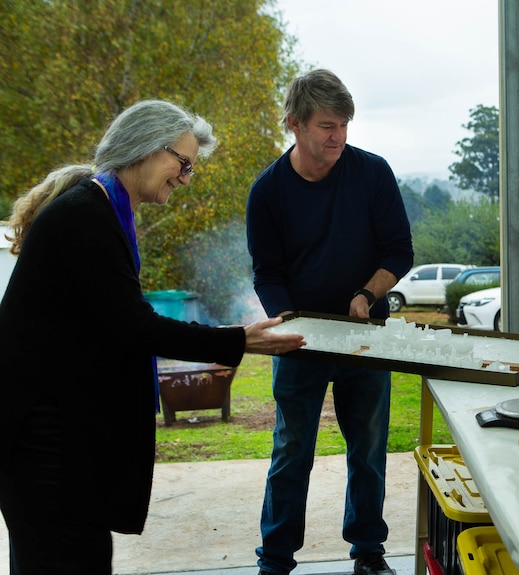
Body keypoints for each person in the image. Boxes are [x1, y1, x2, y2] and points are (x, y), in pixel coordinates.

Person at [0, 100, 307, 574]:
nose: (185, 177)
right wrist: (237, 340)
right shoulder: (86, 214)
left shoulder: (101, 208)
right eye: (182, 163)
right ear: (143, 148)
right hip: (45, 445)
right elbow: (135, 325)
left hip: (62, 439)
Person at [246, 69, 414, 575]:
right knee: (291, 451)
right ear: (294, 124)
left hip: (365, 336)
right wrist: (289, 322)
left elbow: (399, 251)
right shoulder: (268, 192)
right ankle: (275, 560)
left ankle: (368, 553)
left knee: (368, 448)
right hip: (300, 339)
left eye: (343, 124)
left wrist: (366, 294)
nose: (337, 135)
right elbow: (268, 274)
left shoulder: (372, 173)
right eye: (325, 125)